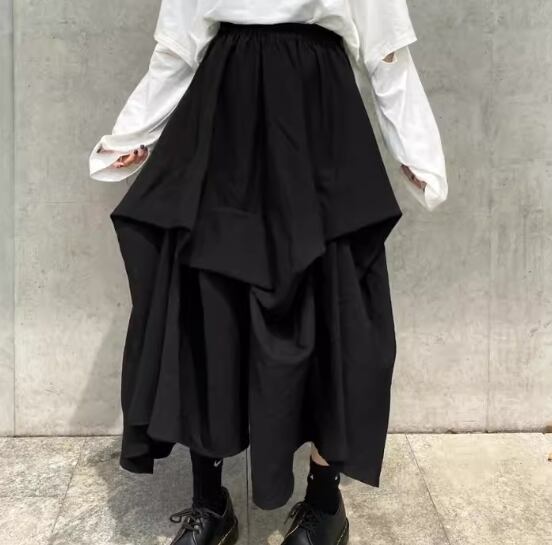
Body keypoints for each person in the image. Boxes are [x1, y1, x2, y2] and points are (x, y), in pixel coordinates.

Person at [89, 1, 447, 544]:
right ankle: (210, 502)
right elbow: (179, 43)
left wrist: (417, 149)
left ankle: (324, 503)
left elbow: (386, 46)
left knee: (331, 297)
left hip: (317, 107)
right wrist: (132, 132)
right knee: (209, 295)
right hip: (225, 106)